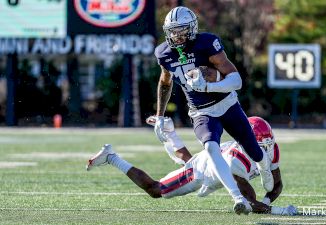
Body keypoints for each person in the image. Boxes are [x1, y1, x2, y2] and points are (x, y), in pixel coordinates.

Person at [153, 6, 274, 214]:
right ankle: (237, 198)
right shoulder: (163, 52)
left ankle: (264, 167)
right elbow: (165, 83)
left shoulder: (206, 43)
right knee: (211, 148)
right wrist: (159, 116)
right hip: (201, 111)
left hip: (227, 104)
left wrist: (209, 86)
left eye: (181, 30)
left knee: (253, 149)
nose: (176, 35)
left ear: (192, 28)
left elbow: (236, 81)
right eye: (172, 31)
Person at [86, 116, 297, 216]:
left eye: (269, 143)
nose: (267, 149)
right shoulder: (236, 161)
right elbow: (250, 203)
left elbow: (276, 185)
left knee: (189, 161)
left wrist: (268, 200)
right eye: (261, 144)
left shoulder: (272, 149)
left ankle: (169, 131)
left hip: (210, 161)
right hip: (202, 173)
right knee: (156, 190)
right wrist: (280, 211)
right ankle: (112, 157)